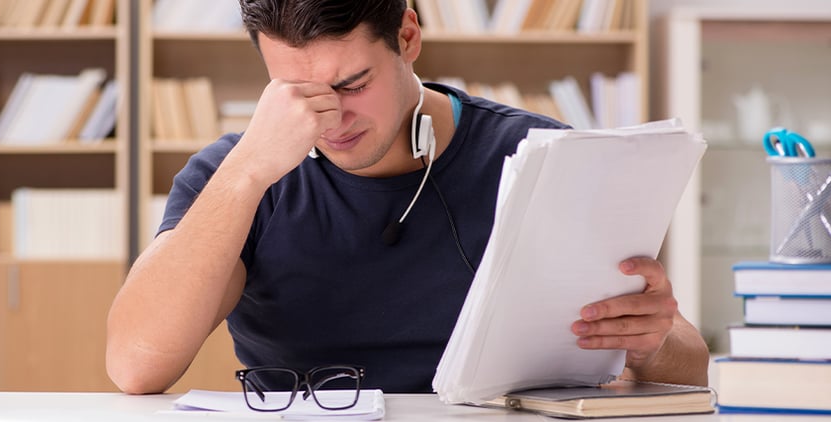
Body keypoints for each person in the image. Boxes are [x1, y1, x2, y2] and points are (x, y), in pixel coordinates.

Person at [106, 0, 710, 395]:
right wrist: (246, 174)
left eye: (352, 83)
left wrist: (650, 344)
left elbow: (690, 363)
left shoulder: (550, 156)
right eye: (295, 90)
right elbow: (136, 367)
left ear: (408, 35)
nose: (331, 118)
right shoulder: (236, 177)